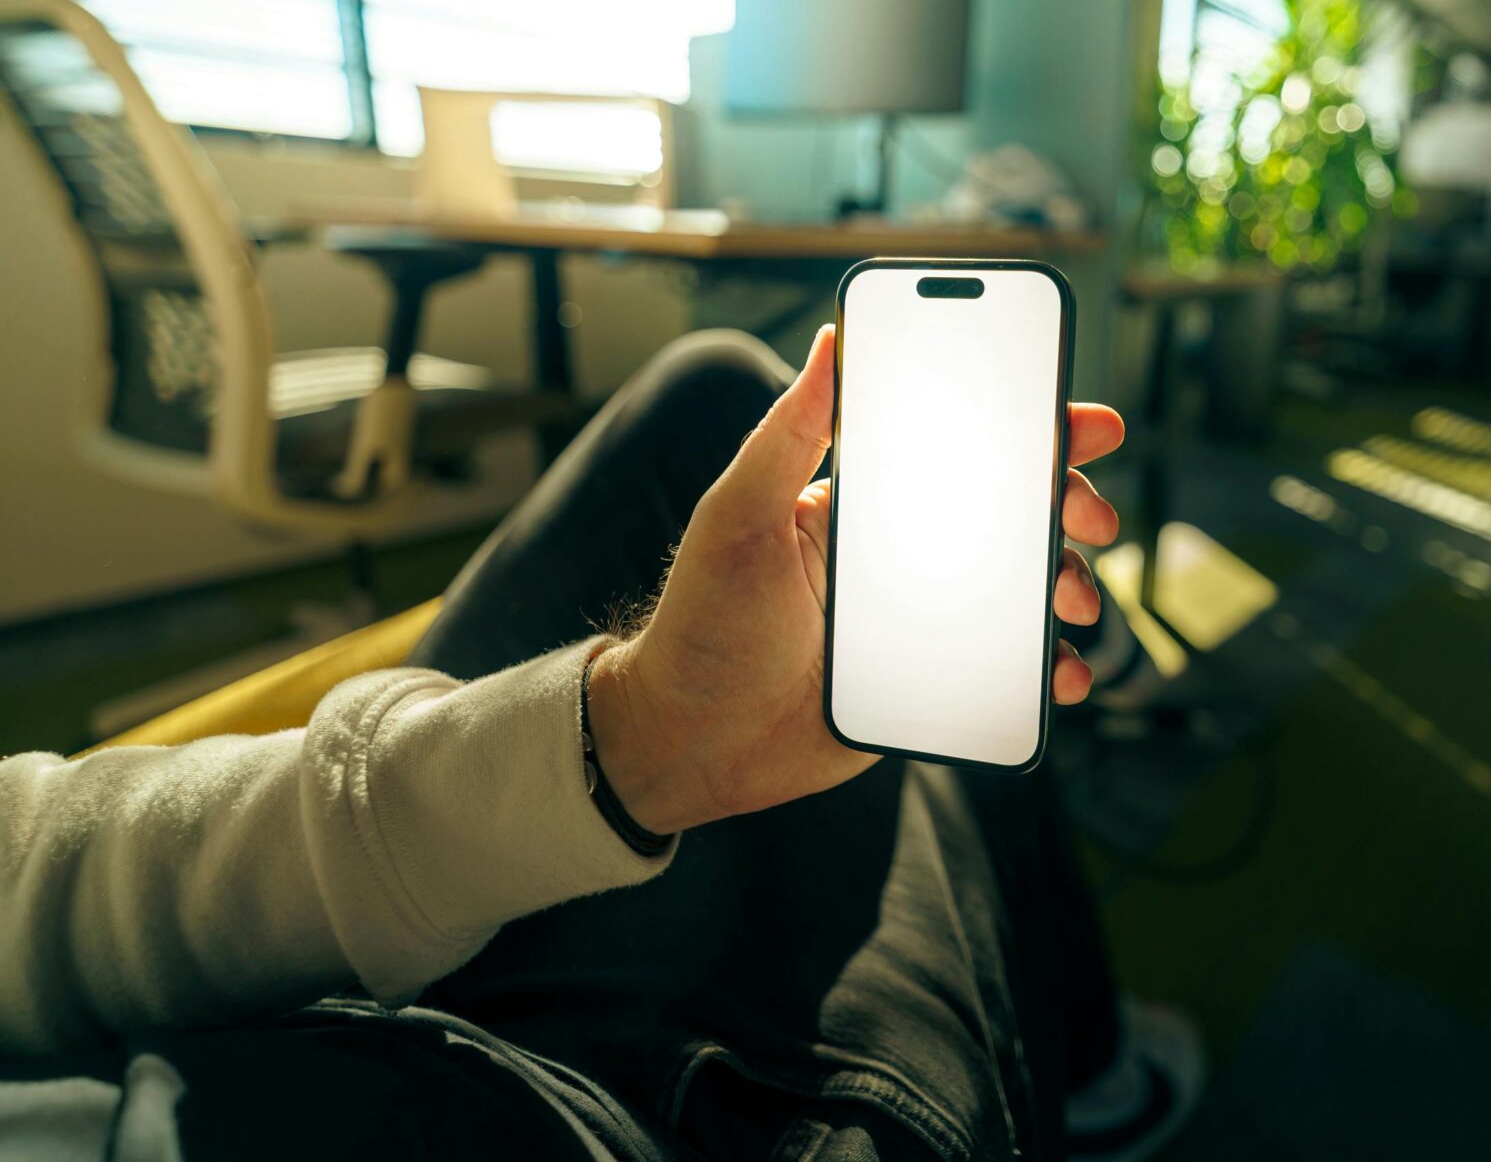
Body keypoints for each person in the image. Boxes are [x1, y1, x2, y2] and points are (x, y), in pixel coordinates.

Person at [0, 326, 1202, 1160]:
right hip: (621, 1121)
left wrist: (632, 733)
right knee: (915, 697)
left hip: (303, 1004)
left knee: (719, 394)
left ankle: (1085, 1030)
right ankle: (1083, 1056)